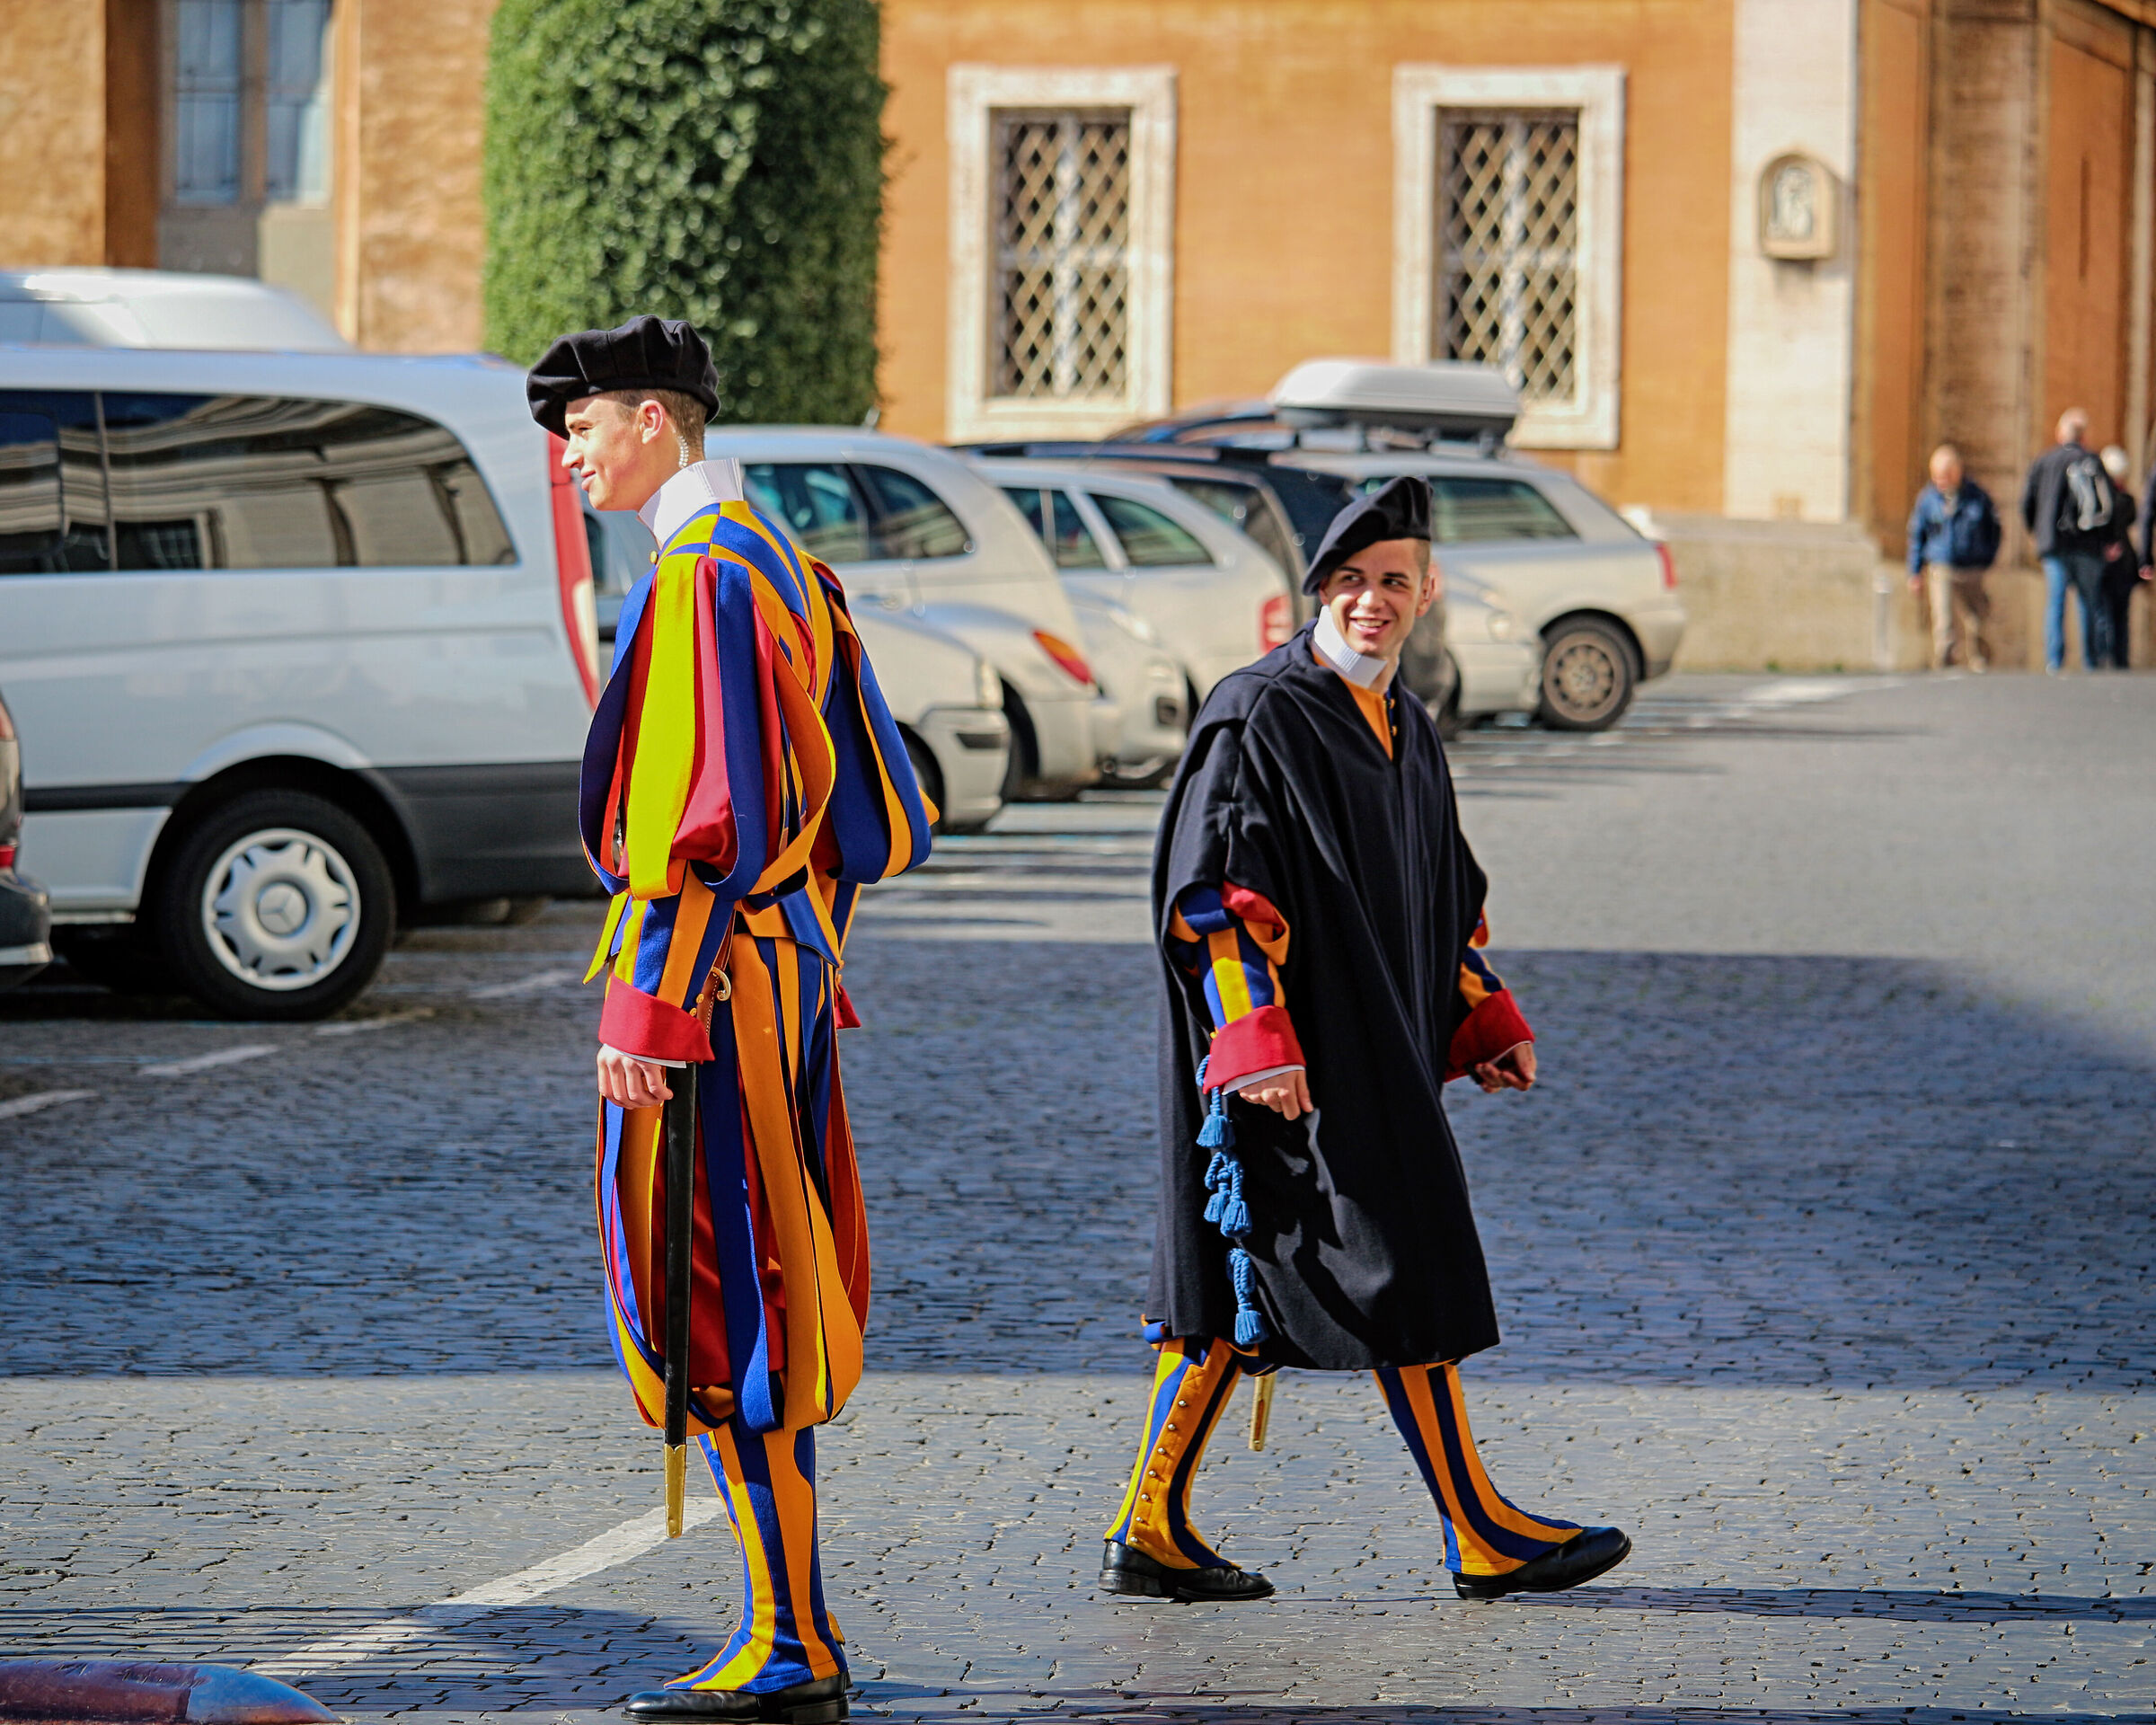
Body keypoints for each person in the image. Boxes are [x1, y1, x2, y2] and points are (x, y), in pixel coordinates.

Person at [1099, 476, 1630, 1607]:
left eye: (1393, 581)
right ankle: (1480, 1531)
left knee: (1250, 1277)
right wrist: (1257, 1040)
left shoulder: (1406, 725)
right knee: (1398, 1258)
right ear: (1318, 590)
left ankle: (1149, 1526)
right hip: (1288, 1060)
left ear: (1427, 593)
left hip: (1375, 1049)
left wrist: (1478, 1013)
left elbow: (1437, 893)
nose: (1370, 600)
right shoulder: (1260, 713)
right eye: (1349, 580)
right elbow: (1217, 893)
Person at [528, 315, 932, 1724]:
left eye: (583, 428)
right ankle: (793, 1625)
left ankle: (791, 1642)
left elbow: (700, 824)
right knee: (762, 1278)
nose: (570, 457)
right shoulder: (785, 562)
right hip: (783, 975)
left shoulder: (703, 575)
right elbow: (864, 817)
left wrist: (649, 1005)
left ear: (652, 420)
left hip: (714, 993)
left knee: (724, 1288)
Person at [2020, 407, 2115, 672]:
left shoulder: (2044, 462)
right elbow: (2109, 505)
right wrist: (2108, 540)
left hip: (2053, 544)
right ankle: (2090, 660)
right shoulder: (2092, 461)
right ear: (2084, 436)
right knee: (2088, 601)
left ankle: (2055, 659)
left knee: (2056, 600)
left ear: (2059, 433)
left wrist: (2037, 531)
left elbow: (2026, 503)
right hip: (2088, 544)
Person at [1904, 444, 2000, 671]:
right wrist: (1914, 571)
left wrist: (1986, 558)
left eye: (1946, 475)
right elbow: (1917, 535)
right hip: (1942, 565)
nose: (1941, 481)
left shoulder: (1977, 496)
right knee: (1943, 616)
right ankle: (1945, 659)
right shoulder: (1928, 499)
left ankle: (1979, 658)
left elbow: (1994, 530)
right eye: (1937, 476)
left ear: (1957, 471)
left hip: (1972, 566)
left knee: (1977, 618)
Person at [2098, 445, 2142, 668]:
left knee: (2104, 615)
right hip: (2122, 565)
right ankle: (2119, 660)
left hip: (2108, 564)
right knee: (2119, 616)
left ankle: (2105, 659)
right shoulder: (2126, 500)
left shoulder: (2102, 499)